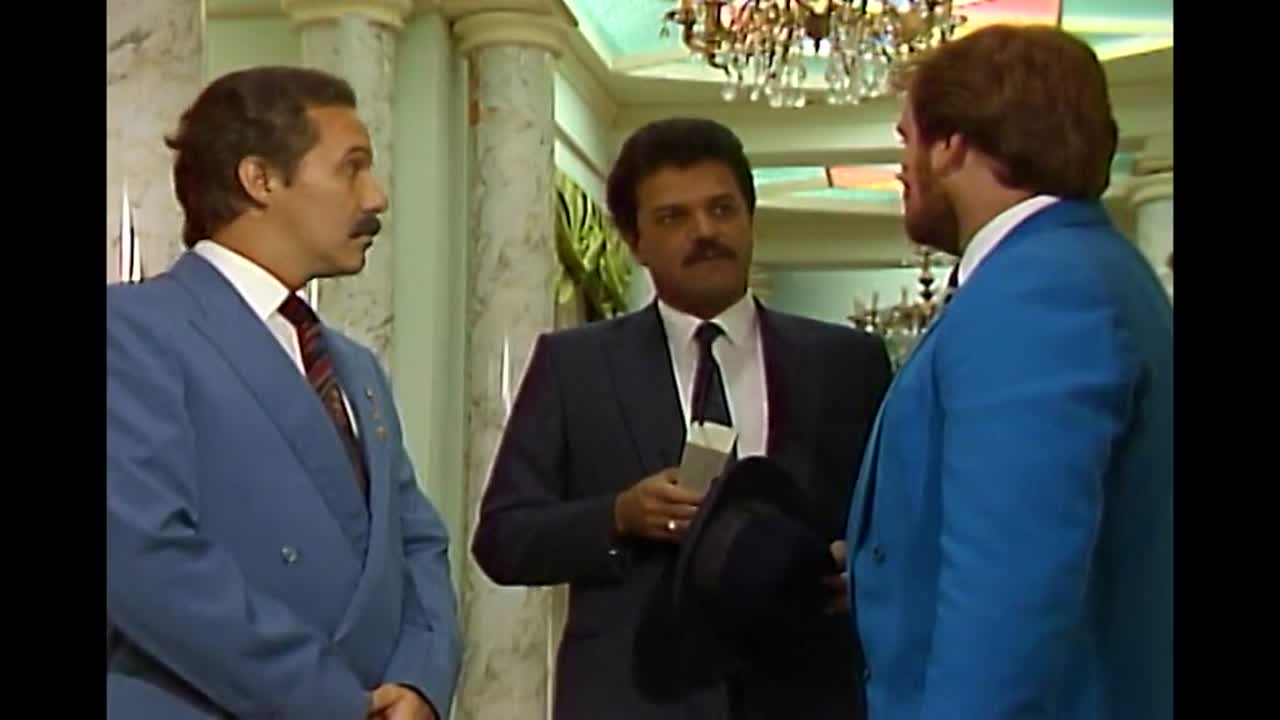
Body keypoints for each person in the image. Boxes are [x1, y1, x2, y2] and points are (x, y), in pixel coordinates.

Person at [472, 117, 893, 719]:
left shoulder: (847, 363)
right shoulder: (575, 367)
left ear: (750, 218)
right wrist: (618, 516)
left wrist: (864, 574)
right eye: (674, 217)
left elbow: (898, 524)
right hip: (631, 700)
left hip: (803, 695)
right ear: (635, 240)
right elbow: (503, 539)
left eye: (722, 210)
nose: (705, 232)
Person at [106, 66, 462, 720]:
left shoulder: (354, 367)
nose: (377, 197)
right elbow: (143, 556)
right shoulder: (130, 332)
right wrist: (332, 700)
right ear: (260, 179)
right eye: (352, 168)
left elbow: (417, 542)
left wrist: (420, 681)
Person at [846, 24, 1173, 720]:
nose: (902, 167)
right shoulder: (1088, 266)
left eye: (906, 139)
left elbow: (1009, 595)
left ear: (952, 144)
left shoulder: (1040, 289)